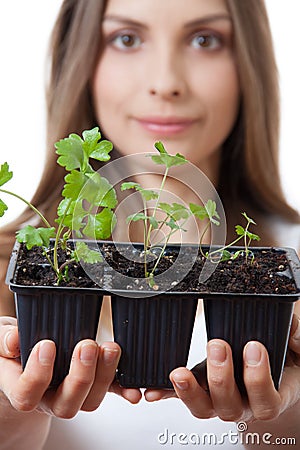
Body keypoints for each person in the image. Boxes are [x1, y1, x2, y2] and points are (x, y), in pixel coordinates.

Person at [0, 0, 299, 448]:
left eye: (205, 40)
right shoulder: (12, 264)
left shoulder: (289, 261)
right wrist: (11, 417)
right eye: (126, 38)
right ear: (79, 60)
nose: (165, 83)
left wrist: (284, 417)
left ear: (248, 64)